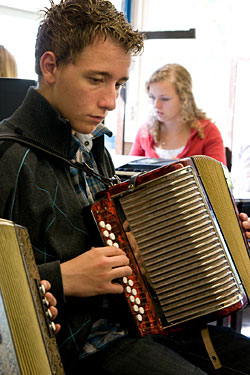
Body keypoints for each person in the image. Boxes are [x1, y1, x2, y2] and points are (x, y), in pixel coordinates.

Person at [0, 1, 250, 374]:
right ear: (49, 66)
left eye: (118, 84)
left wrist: (218, 242)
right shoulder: (8, 155)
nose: (110, 101)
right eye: (96, 79)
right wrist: (62, 277)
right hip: (79, 349)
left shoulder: (94, 145)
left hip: (140, 329)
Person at [129, 63, 226, 165]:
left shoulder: (208, 132)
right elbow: (127, 174)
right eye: (152, 97)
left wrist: (186, 172)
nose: (156, 105)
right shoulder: (145, 132)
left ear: (184, 98)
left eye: (164, 99)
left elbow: (218, 178)